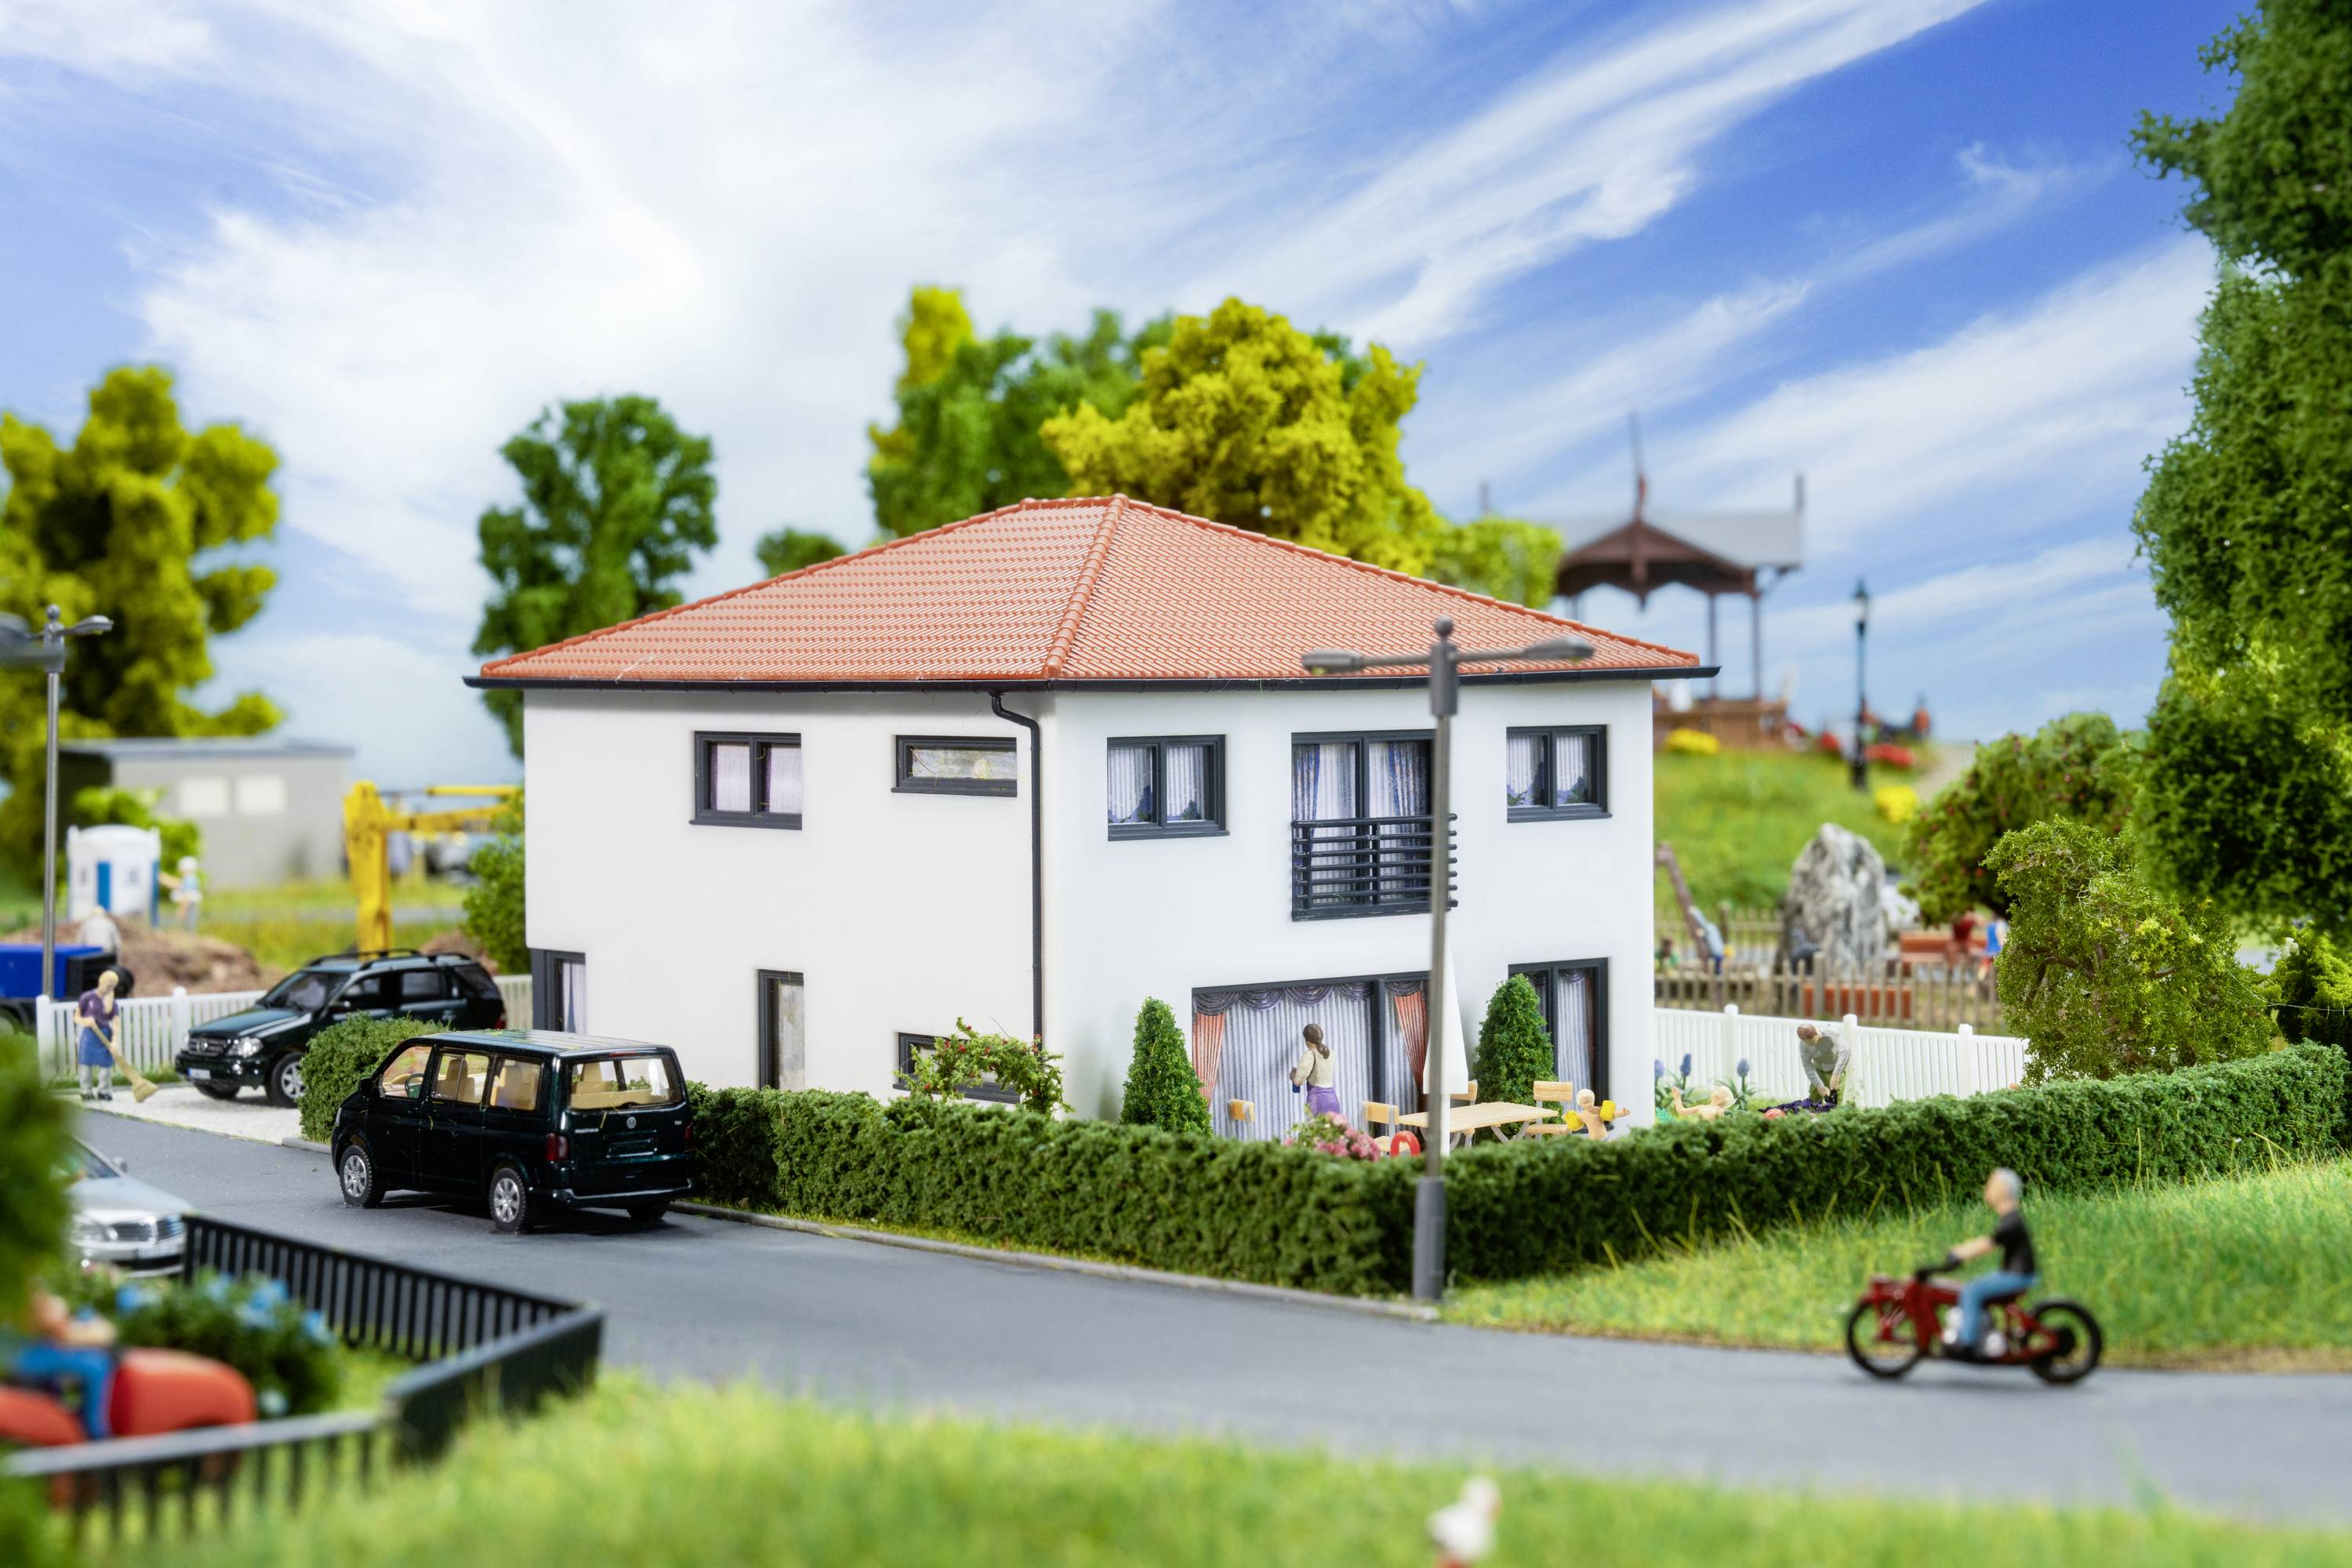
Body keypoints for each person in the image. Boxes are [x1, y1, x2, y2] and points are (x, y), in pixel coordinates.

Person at [1941, 1167, 2038, 1359]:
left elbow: (1989, 1244)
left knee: (1972, 1291)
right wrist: (1961, 1250)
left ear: (2003, 1189)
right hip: (2014, 1273)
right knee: (1971, 1287)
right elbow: (1990, 1240)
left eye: (1991, 1185)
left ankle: (1967, 1344)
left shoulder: (2012, 1221)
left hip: (2018, 1275)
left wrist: (1960, 1253)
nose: (1987, 1189)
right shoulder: (2010, 1218)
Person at [3, 1287, 119, 1439]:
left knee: (97, 1360)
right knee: (96, 1366)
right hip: (19, 1356)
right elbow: (51, 1324)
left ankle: (90, 1426)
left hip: (27, 1351)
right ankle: (96, 1432)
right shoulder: (20, 1289)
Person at [75, 967, 122, 1102]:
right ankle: (86, 1090)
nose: (109, 988)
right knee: (86, 1064)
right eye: (108, 985)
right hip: (90, 1035)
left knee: (105, 1066)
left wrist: (114, 1041)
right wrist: (86, 1021)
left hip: (105, 1035)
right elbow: (76, 1017)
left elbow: (116, 1022)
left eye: (113, 986)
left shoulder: (112, 1002)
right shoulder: (87, 997)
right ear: (101, 982)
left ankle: (104, 1091)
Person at [1289, 1022, 1341, 1120]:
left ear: (1307, 1041)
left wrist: (1292, 1076)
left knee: (1315, 1128)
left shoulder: (1309, 1055)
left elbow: (1298, 1081)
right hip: (1332, 1099)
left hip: (1317, 1100)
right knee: (1334, 1128)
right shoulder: (1332, 1053)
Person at [1793, 1021, 1849, 1105]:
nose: (1809, 1044)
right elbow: (1808, 1066)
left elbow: (1845, 1051)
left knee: (1836, 1101)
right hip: (1819, 1071)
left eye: (1811, 1040)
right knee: (1813, 1102)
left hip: (1836, 1070)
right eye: (1805, 1041)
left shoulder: (1831, 1033)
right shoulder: (1804, 1045)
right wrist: (1819, 1085)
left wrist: (1836, 1075)